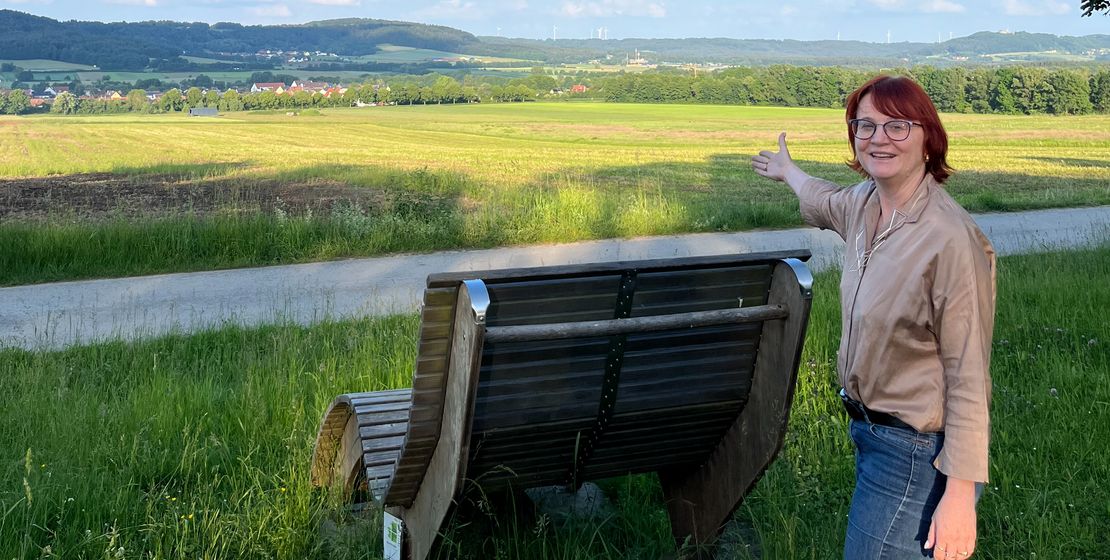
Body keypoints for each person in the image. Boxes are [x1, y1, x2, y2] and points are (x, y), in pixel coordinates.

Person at [750, 75, 995, 559]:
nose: (879, 138)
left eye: (898, 126)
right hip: (871, 434)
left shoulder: (949, 239)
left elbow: (967, 373)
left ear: (929, 138)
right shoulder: (866, 206)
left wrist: (960, 495)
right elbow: (823, 199)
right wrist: (789, 172)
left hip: (916, 454)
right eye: (866, 126)